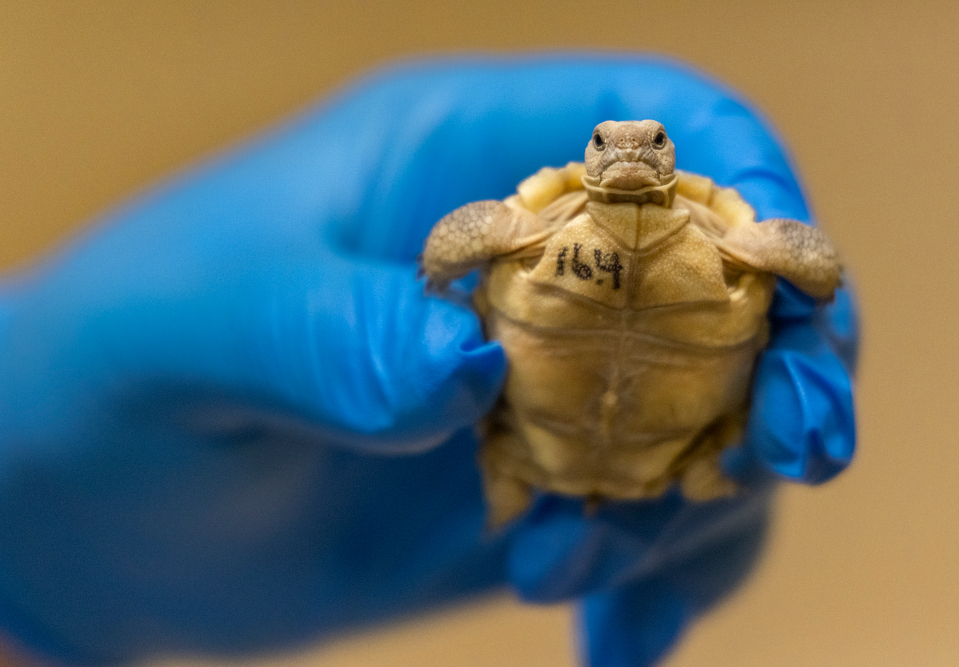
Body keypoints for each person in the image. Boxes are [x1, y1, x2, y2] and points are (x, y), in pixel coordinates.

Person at [0, 56, 857, 667]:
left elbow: (791, 252)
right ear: (590, 158)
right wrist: (426, 279)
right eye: (608, 143)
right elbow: (474, 236)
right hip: (532, 435)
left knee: (749, 456)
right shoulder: (529, 224)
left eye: (650, 146)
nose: (629, 153)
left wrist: (818, 286)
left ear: (671, 161)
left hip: (682, 441)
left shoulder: (728, 235)